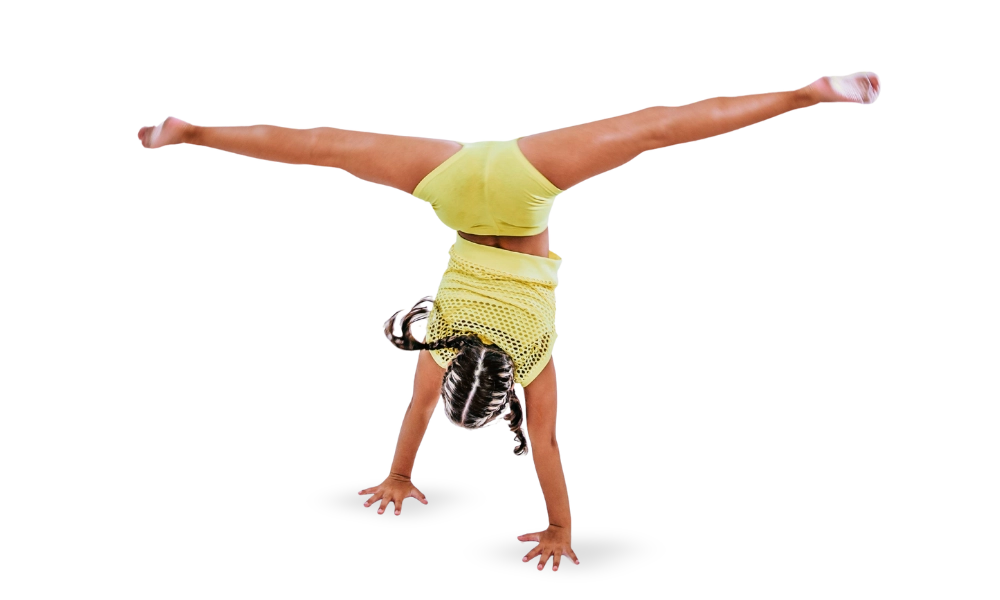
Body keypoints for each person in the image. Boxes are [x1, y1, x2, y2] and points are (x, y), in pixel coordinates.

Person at [136, 71, 882, 573]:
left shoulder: (531, 355)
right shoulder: (441, 335)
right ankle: (191, 134)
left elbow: (546, 449)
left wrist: (559, 529)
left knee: (656, 130)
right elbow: (417, 415)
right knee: (321, 146)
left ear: (501, 394)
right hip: (459, 186)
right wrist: (398, 475)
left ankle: (810, 93)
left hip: (524, 193)